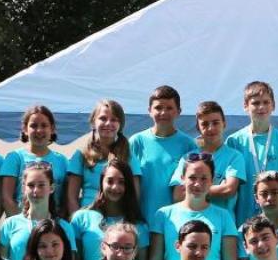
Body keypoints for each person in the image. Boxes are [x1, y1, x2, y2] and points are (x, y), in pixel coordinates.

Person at [149, 152, 238, 260]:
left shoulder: (224, 216)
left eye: (204, 178)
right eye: (192, 177)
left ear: (212, 180)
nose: (197, 184)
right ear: (182, 178)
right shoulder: (163, 215)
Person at [224, 80, 278, 228]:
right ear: (246, 106)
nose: (261, 107)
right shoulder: (234, 141)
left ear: (273, 105)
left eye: (266, 102)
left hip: (274, 221)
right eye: (255, 103)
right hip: (241, 219)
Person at [129, 85, 197, 225]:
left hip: (176, 222)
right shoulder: (136, 142)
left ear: (178, 112)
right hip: (141, 221)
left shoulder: (189, 145)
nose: (163, 112)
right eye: (158, 108)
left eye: (169, 108)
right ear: (149, 111)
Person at [71, 158, 149, 260]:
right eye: (110, 181)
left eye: (121, 182)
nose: (115, 187)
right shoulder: (81, 218)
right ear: (101, 183)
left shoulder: (139, 225)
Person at [169, 101, 245, 219]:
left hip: (221, 225)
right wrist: (216, 189)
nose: (210, 128)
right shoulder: (188, 158)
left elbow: (228, 190)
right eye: (204, 124)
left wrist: (191, 190)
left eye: (215, 123)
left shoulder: (234, 157)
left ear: (224, 124)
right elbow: (178, 195)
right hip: (191, 223)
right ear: (198, 128)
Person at [0, 162, 76, 260]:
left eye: (41, 185)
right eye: (31, 185)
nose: (36, 190)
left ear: (51, 188)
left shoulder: (65, 227)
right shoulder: (10, 224)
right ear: (24, 188)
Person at [66, 99, 136, 215]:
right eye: (103, 118)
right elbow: (71, 198)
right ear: (93, 122)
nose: (108, 123)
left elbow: (135, 195)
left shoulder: (129, 156)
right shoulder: (81, 155)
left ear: (120, 124)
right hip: (88, 219)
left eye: (114, 119)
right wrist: (77, 222)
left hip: (119, 220)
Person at [0, 105, 68, 216]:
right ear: (25, 129)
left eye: (44, 125)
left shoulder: (62, 161)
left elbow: (66, 200)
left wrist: (57, 223)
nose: (39, 130)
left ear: (52, 129)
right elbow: (6, 199)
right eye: (34, 126)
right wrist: (22, 223)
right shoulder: (14, 158)